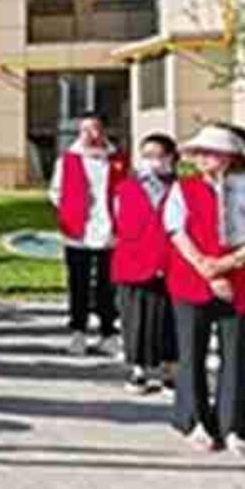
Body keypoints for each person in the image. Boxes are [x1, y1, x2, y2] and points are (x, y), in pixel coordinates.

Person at [165, 124, 245, 458]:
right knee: (191, 354)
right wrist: (206, 268)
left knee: (236, 357)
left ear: (228, 157)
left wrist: (227, 265)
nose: (200, 158)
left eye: (208, 152)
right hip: (192, 279)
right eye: (197, 152)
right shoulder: (183, 189)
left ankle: (234, 426)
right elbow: (176, 231)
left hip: (241, 282)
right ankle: (194, 421)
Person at [49, 111, 124, 356]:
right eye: (85, 130)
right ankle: (78, 332)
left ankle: (108, 333)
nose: (91, 134)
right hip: (77, 231)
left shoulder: (117, 160)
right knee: (78, 284)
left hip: (110, 232)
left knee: (108, 285)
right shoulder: (67, 160)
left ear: (103, 131)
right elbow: (56, 192)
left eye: (95, 129)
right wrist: (70, 211)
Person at [112, 133, 181, 394]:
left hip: (172, 263)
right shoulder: (126, 188)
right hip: (133, 263)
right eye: (147, 156)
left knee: (169, 320)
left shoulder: (181, 189)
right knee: (136, 319)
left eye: (159, 156)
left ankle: (169, 370)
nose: (153, 161)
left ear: (171, 158)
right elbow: (118, 223)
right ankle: (138, 370)